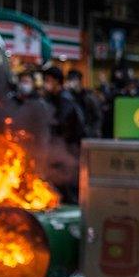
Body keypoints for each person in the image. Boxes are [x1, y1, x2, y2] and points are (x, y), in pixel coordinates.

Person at [41, 67, 85, 202]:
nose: (45, 83)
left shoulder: (65, 101)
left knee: (66, 186)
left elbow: (59, 124)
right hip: (58, 151)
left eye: (48, 80)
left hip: (67, 151)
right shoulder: (51, 98)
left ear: (56, 81)